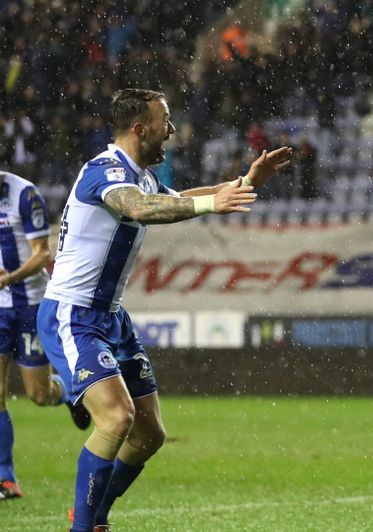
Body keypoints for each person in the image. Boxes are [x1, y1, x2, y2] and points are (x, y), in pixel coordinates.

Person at [36, 88, 292, 532]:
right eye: (165, 121)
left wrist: (245, 183)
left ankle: (94, 515)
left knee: (149, 434)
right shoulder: (105, 171)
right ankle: (85, 527)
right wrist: (211, 203)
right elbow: (138, 208)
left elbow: (178, 197)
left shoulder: (141, 176)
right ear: (140, 128)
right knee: (117, 418)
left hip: (112, 317)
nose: (171, 130)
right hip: (73, 315)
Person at [0, 170, 91, 501]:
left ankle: (65, 391)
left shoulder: (24, 195)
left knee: (38, 395)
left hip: (30, 306)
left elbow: (42, 254)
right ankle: (6, 478)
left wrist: (7, 279)